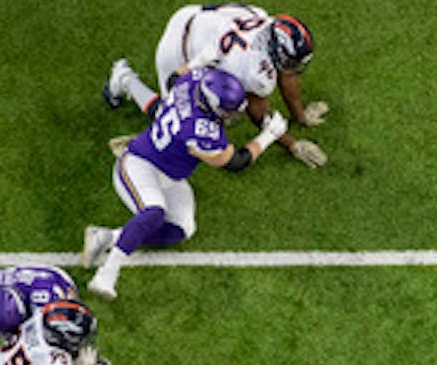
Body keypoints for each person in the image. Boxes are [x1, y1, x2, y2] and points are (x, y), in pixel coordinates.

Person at [83, 67, 289, 301]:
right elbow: (235, 162)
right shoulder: (201, 131)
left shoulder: (195, 79)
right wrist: (269, 135)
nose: (230, 116)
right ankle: (106, 274)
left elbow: (174, 77)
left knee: (181, 229)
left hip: (170, 174)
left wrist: (200, 60)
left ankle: (108, 237)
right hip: (139, 165)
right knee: (154, 212)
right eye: (226, 111)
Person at [103, 6, 328, 167]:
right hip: (180, 52)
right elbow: (259, 116)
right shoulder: (255, 72)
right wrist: (291, 144)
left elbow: (286, 73)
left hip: (192, 17)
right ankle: (123, 78)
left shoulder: (261, 18)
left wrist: (300, 117)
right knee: (175, 117)